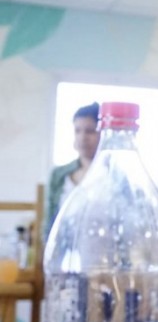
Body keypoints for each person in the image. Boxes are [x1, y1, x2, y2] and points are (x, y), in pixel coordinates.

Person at [44, 102, 100, 240]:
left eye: (90, 131)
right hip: (64, 248)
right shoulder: (59, 175)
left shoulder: (115, 176)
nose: (83, 137)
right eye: (77, 131)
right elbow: (49, 223)